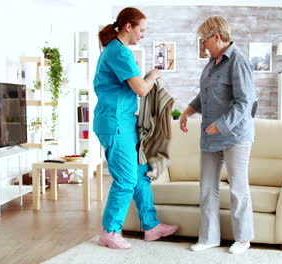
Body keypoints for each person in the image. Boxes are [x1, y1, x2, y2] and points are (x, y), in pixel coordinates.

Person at [94, 7, 179, 250]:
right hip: (115, 124)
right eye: (141, 29)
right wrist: (152, 75)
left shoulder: (117, 51)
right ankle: (110, 231)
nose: (143, 34)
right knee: (126, 179)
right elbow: (141, 89)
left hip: (125, 122)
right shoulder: (119, 52)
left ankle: (151, 226)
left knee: (141, 174)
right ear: (128, 27)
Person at [179, 16, 256, 254]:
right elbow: (206, 94)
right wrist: (188, 111)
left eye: (204, 40)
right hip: (211, 137)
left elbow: (245, 102)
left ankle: (243, 239)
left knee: (237, 188)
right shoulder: (212, 62)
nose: (203, 45)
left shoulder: (238, 61)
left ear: (217, 37)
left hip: (235, 137)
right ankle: (209, 237)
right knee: (207, 187)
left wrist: (221, 125)